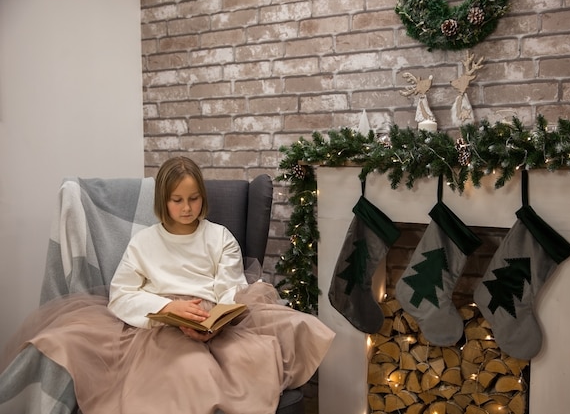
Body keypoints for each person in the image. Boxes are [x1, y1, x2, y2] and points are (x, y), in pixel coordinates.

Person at [0, 156, 335, 414]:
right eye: (177, 200)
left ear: (202, 198)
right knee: (185, 371)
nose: (187, 208)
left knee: (300, 325)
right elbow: (122, 294)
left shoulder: (219, 238)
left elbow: (231, 287)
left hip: (215, 319)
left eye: (193, 199)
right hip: (162, 326)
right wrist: (167, 308)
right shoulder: (144, 242)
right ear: (163, 200)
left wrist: (214, 319)